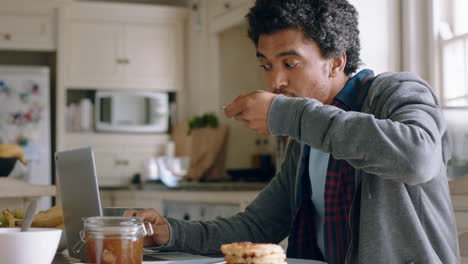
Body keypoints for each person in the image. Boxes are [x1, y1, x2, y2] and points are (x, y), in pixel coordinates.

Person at [125, 0, 460, 263]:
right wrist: (171, 233)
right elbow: (256, 227)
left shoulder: (396, 91)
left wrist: (287, 114)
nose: (275, 83)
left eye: (290, 64)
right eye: (266, 65)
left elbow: (419, 158)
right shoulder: (306, 139)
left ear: (336, 61)